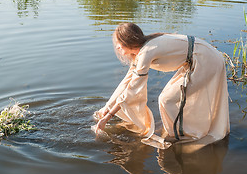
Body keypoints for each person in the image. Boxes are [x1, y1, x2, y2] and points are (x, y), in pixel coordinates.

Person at [94, 23, 230, 149]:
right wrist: (107, 107)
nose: (117, 47)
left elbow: (132, 90)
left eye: (119, 44)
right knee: (168, 99)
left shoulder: (146, 52)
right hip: (195, 60)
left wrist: (107, 118)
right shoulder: (140, 53)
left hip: (205, 60)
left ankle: (182, 136)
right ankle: (177, 131)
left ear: (128, 42)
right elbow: (126, 82)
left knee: (167, 100)